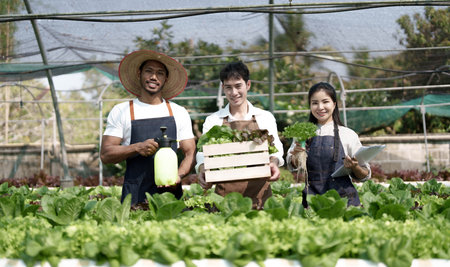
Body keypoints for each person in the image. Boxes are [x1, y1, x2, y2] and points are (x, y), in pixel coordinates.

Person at [100, 50, 196, 205]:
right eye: (149, 71)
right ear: (139, 74)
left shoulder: (179, 112)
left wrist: (178, 176)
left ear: (166, 79)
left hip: (170, 195)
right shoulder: (122, 111)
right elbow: (105, 154)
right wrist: (137, 148)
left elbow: (190, 153)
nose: (153, 77)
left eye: (160, 73)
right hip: (134, 194)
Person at [196, 61, 285, 210]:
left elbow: (276, 148)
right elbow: (202, 153)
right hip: (225, 200)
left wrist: (274, 163)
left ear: (248, 85)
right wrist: (202, 168)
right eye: (228, 87)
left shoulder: (264, 117)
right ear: (223, 88)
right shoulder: (213, 120)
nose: (234, 92)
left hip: (260, 197)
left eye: (238, 86)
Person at [286, 82, 370, 207]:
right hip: (313, 201)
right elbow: (293, 166)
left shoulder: (347, 134)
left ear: (334, 104)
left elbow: (364, 175)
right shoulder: (302, 133)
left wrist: (354, 167)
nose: (320, 107)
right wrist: (297, 156)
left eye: (325, 102)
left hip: (344, 201)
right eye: (315, 103)